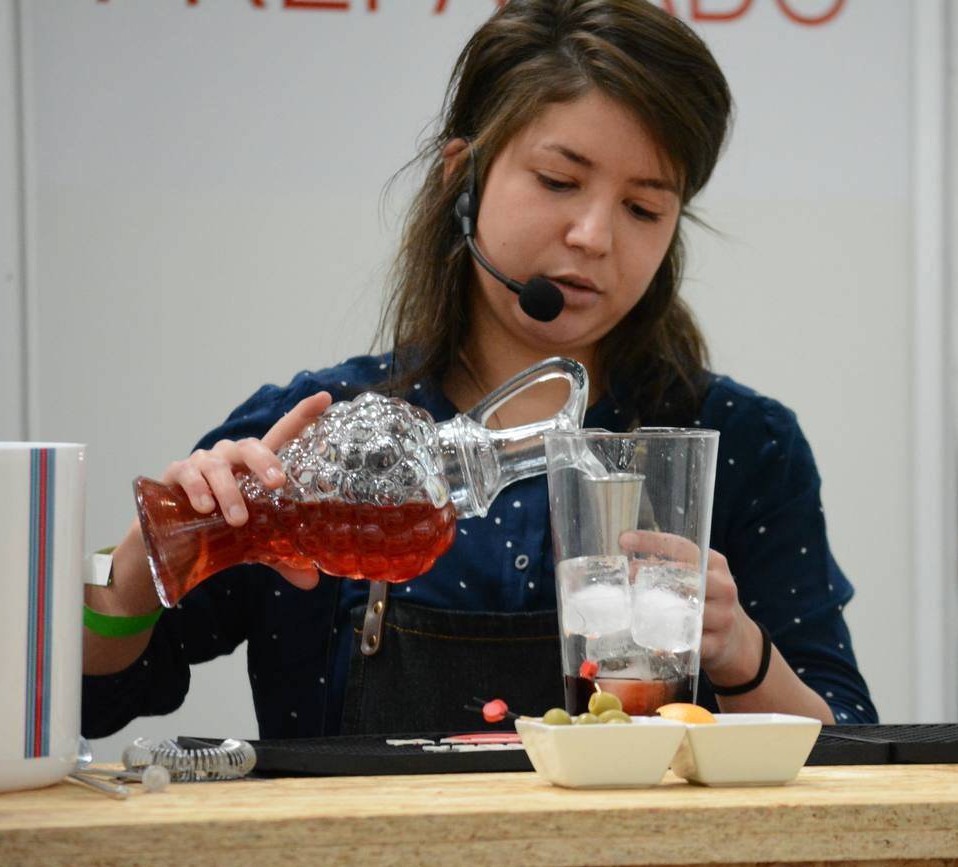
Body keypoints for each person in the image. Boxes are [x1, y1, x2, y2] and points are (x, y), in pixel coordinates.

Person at [82, 0, 876, 738]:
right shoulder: (310, 433)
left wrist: (741, 652)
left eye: (643, 208)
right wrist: (145, 562)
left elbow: (847, 737)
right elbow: (89, 699)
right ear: (462, 174)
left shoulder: (740, 443)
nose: (595, 236)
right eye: (559, 181)